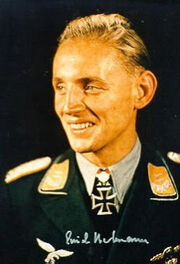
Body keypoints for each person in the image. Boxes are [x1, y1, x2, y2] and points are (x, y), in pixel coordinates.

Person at [2, 13, 180, 264]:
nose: (68, 106)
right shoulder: (17, 197)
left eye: (90, 86)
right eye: (60, 87)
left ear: (142, 91)